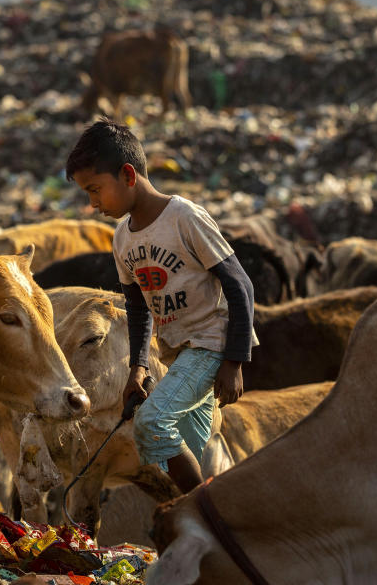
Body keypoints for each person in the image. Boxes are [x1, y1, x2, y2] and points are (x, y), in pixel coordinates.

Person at [66, 118, 257, 493]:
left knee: (152, 423)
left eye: (95, 190)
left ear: (127, 174)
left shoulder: (184, 218)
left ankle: (198, 513)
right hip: (177, 353)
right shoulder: (122, 238)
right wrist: (137, 367)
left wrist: (235, 361)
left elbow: (240, 285)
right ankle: (215, 521)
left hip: (210, 343)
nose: (93, 203)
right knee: (186, 461)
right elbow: (137, 309)